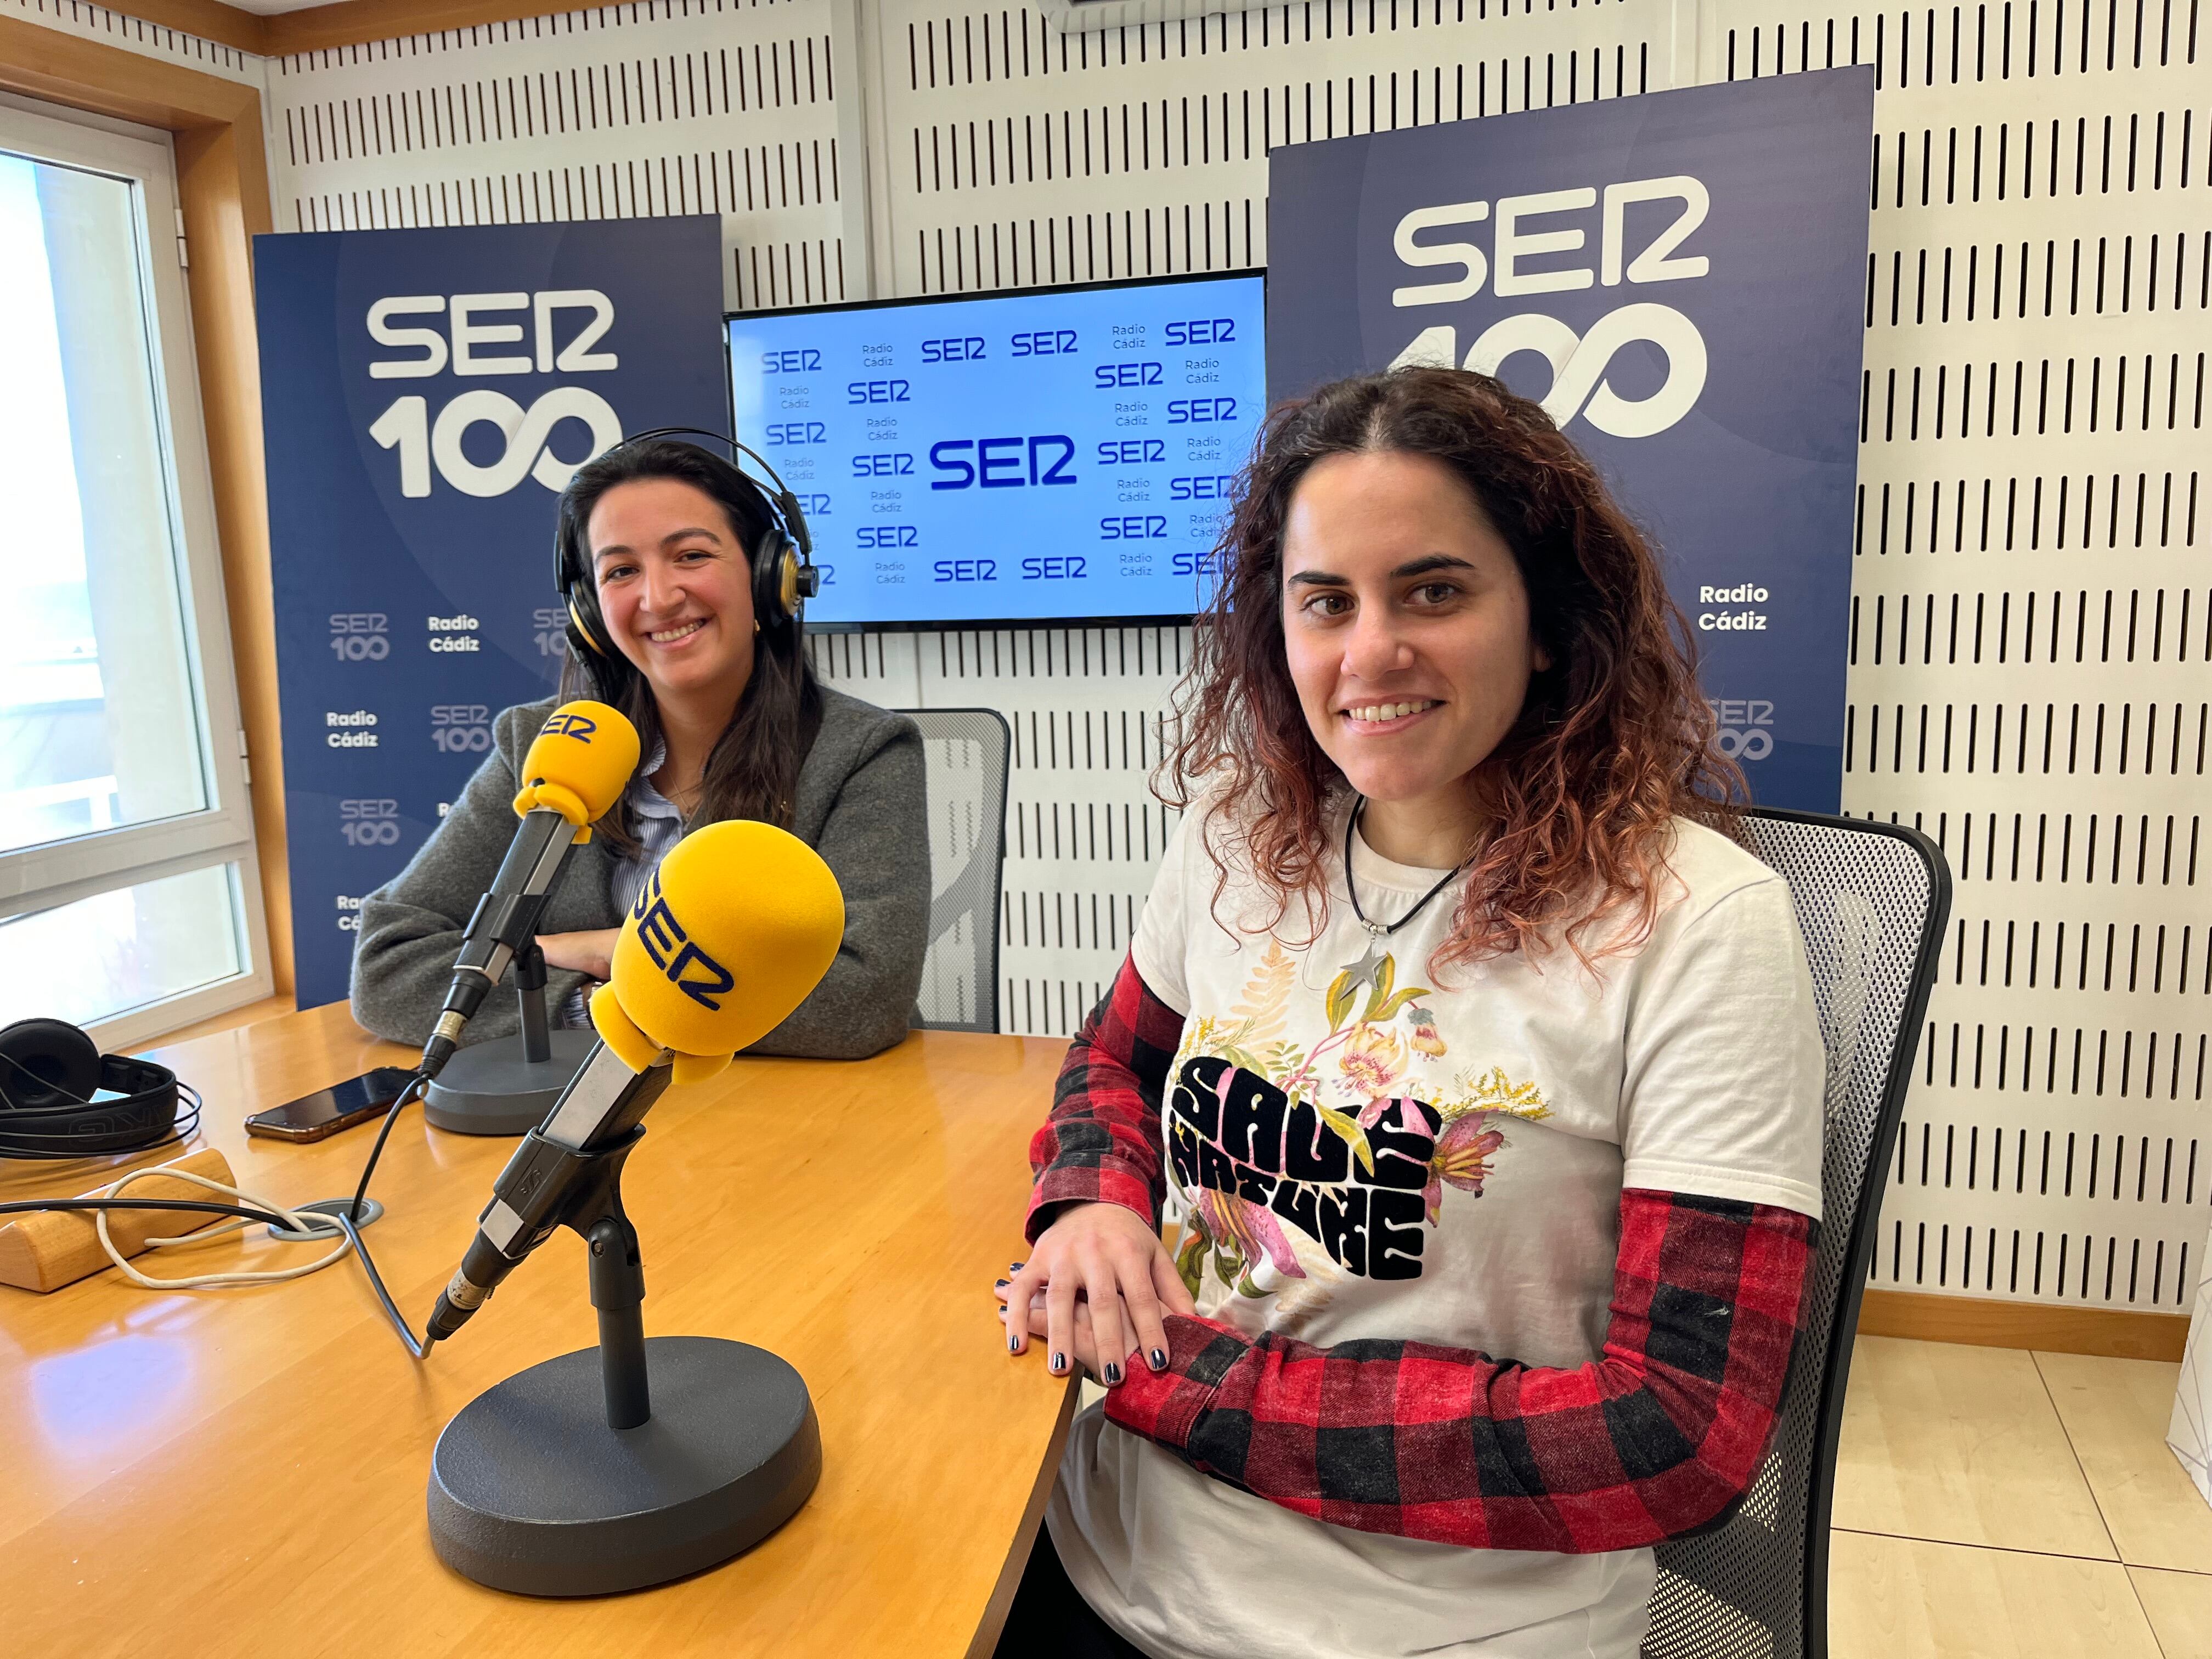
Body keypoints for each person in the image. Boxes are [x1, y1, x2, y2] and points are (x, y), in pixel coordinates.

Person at [993, 366, 1825, 1659]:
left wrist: (1171, 1381)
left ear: (1546, 619)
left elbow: (1677, 1437)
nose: (1370, 652)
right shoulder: (1232, 840)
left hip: (1433, 1629)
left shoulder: (1701, 923)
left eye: (1434, 592)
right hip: (1102, 1547)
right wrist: (1091, 1203)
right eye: (1326, 602)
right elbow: (1114, 1060)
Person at [351, 437, 930, 1060]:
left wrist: (604, 955)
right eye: (621, 571)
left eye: (691, 556)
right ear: (589, 610)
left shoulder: (863, 753)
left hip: (788, 1109)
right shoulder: (543, 748)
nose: (658, 598)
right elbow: (387, 966)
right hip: (580, 1101)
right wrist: (596, 985)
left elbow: (863, 1001)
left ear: (770, 577)